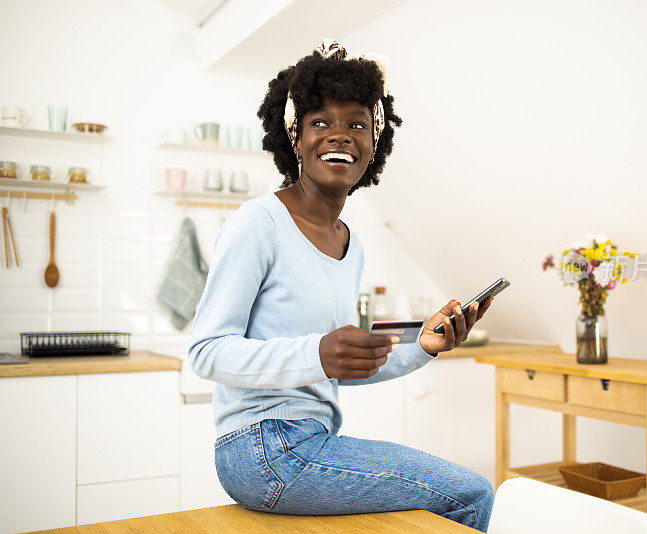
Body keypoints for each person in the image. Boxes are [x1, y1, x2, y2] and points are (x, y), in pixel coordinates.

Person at [188, 39, 496, 532]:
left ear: (375, 143)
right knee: (471, 494)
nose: (340, 135)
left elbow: (344, 363)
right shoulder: (259, 223)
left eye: (357, 123)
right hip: (262, 446)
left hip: (308, 441)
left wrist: (425, 345)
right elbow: (205, 352)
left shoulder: (350, 244)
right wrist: (317, 354)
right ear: (294, 138)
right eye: (320, 123)